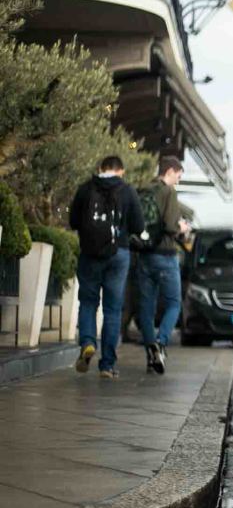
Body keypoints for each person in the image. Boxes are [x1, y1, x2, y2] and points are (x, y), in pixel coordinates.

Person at [68, 156, 144, 379]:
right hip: (118, 254)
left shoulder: (85, 188)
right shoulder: (127, 190)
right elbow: (139, 226)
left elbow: (73, 222)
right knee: (112, 309)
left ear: (100, 168)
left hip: (90, 254)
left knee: (89, 302)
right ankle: (107, 365)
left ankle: (88, 343)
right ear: (121, 171)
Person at [136, 156, 189, 374]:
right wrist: (182, 228)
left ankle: (151, 350)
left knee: (146, 308)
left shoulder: (143, 191)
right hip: (166, 255)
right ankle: (161, 341)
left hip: (144, 255)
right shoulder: (169, 192)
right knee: (174, 303)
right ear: (169, 171)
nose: (177, 181)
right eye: (178, 176)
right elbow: (169, 225)